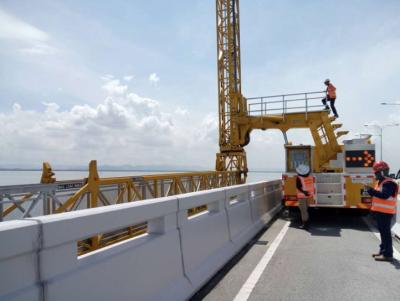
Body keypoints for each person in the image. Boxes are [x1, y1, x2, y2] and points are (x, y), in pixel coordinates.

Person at [365, 161, 399, 262]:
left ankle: (388, 255)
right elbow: (377, 195)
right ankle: (382, 251)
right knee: (383, 233)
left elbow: (384, 195)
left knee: (385, 234)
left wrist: (371, 191)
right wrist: (371, 191)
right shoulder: (380, 182)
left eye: (376, 172)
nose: (375, 174)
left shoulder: (389, 183)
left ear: (382, 172)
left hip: (385, 213)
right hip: (380, 212)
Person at [296, 164, 314, 229]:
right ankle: (307, 223)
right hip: (308, 195)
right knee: (306, 210)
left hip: (302, 196)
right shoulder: (309, 177)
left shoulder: (299, 178)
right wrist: (306, 193)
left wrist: (304, 192)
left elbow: (298, 187)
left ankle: (305, 225)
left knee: (303, 211)